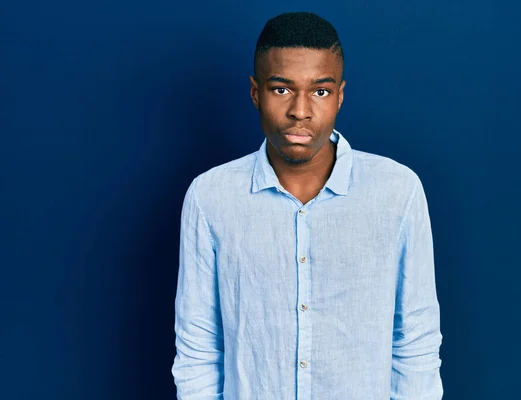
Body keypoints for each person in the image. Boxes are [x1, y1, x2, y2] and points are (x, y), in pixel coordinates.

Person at [171, 11, 443, 400]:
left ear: (340, 95)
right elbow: (198, 346)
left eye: (320, 90)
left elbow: (416, 340)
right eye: (282, 89)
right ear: (255, 92)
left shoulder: (397, 192)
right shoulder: (210, 196)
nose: (301, 110)